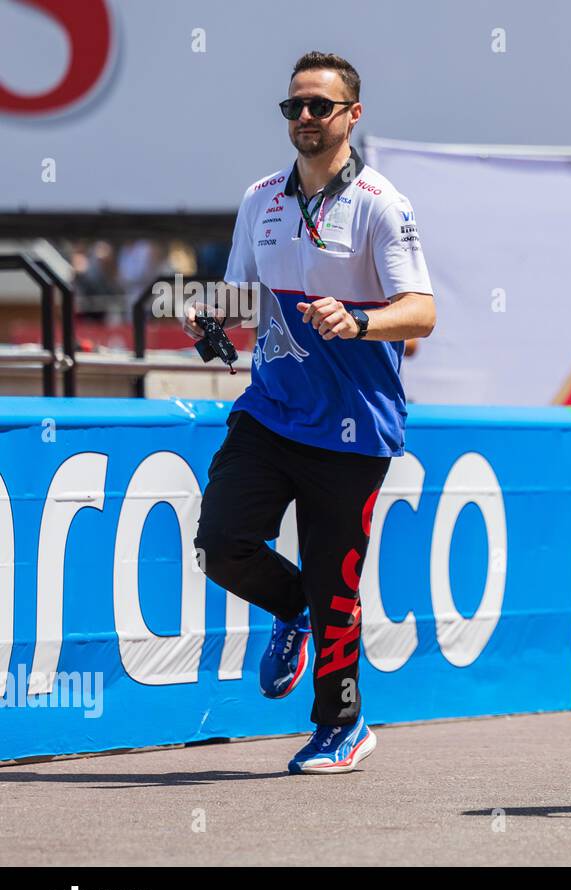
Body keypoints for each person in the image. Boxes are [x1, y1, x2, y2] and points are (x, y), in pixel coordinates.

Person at [181, 51, 436, 772]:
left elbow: (422, 311)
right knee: (222, 543)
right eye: (293, 106)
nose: (303, 118)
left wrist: (357, 321)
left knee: (338, 585)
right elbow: (242, 294)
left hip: (353, 428)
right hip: (270, 410)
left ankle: (342, 725)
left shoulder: (384, 203)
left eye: (319, 106)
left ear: (352, 115)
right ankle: (290, 608)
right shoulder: (259, 196)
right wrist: (209, 312)